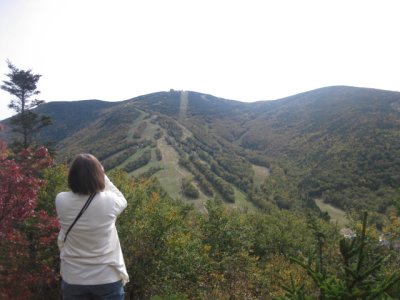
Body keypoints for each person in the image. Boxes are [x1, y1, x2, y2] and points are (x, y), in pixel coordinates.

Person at [55, 153, 129, 300]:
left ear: (72, 176)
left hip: (73, 277)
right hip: (106, 276)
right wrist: (103, 176)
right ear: (98, 174)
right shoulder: (109, 201)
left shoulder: (61, 200)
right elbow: (122, 199)